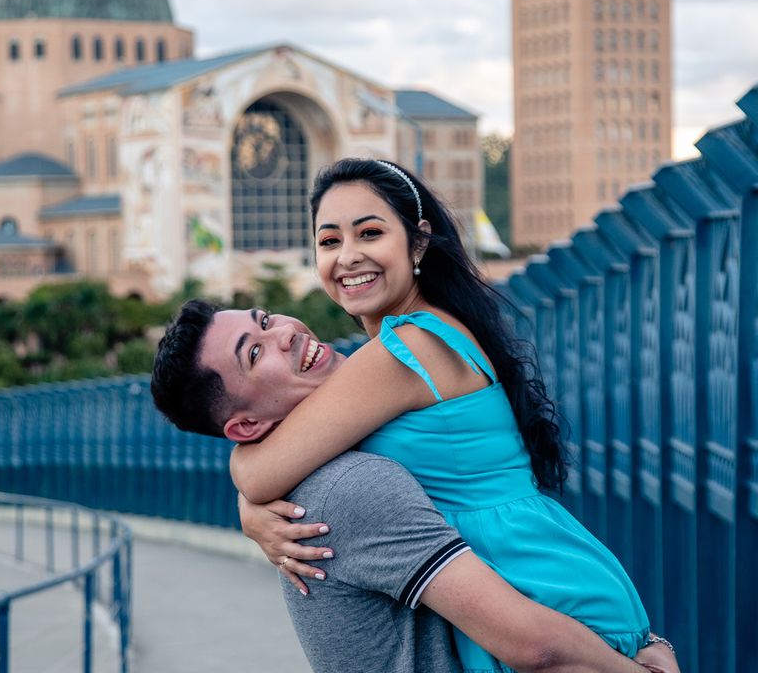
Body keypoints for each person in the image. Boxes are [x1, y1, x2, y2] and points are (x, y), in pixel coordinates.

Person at [228, 158, 675, 673]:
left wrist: (250, 506)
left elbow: (261, 471)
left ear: (418, 243)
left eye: (369, 233)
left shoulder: (404, 351)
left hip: (538, 601)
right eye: (329, 242)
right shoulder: (429, 332)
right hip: (543, 582)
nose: (348, 257)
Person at [151, 301, 677, 673]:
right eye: (254, 352)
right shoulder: (351, 486)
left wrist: (247, 502)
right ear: (244, 430)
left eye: (265, 319)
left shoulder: (345, 457)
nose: (284, 332)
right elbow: (533, 647)